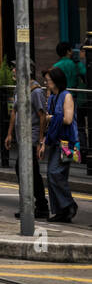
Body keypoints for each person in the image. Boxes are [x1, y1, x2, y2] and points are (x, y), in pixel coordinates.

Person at [5, 70, 50, 220]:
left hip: (31, 137)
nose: (13, 72)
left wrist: (40, 140)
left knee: (28, 170)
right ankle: (34, 206)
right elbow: (14, 112)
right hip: (21, 137)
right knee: (29, 171)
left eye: (15, 68)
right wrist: (10, 133)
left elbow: (42, 116)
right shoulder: (19, 88)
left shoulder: (35, 91)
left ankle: (38, 206)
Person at [39, 66, 80, 223]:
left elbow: (68, 119)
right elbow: (51, 124)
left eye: (48, 80)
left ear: (56, 81)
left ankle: (69, 205)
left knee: (55, 173)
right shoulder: (53, 97)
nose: (46, 82)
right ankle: (61, 211)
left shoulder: (66, 96)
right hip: (56, 141)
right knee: (53, 175)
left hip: (67, 143)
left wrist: (50, 118)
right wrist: (43, 143)